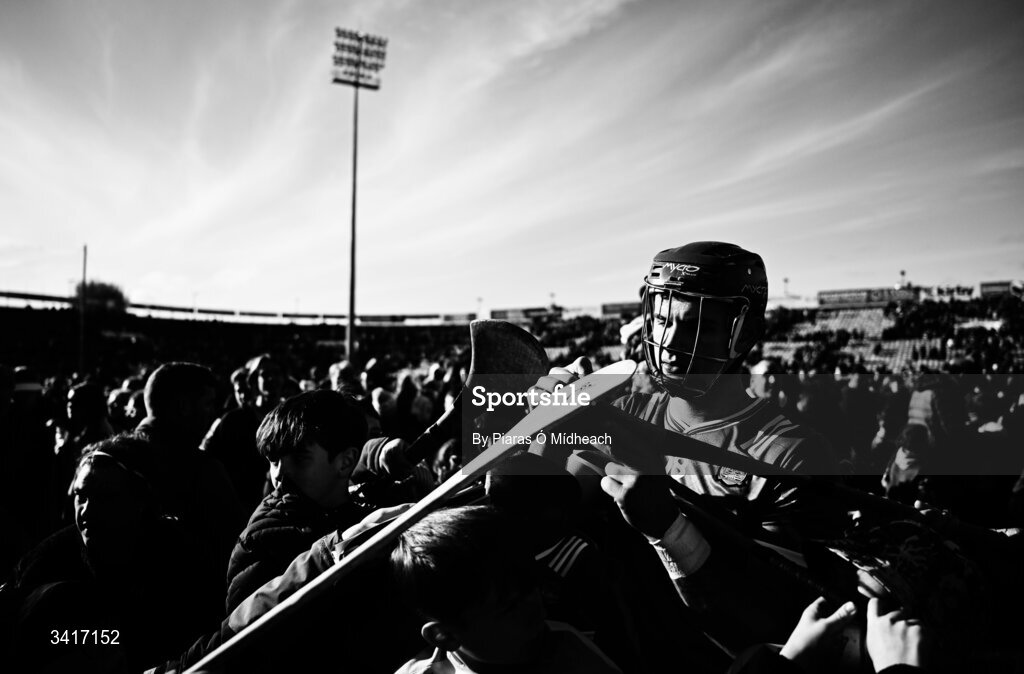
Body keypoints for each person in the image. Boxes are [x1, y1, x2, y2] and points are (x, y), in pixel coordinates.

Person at [391, 505, 621, 674]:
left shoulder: (568, 648)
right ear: (445, 635)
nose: (536, 607)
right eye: (510, 606)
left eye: (530, 587)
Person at [225, 390, 370, 612]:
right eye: (274, 460)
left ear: (346, 461)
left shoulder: (366, 515)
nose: (279, 475)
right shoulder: (264, 538)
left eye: (300, 458)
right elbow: (246, 633)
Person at [134, 362, 247, 625]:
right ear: (184, 407)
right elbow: (234, 549)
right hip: (181, 618)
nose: (212, 413)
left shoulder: (108, 458)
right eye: (207, 404)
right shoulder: (200, 469)